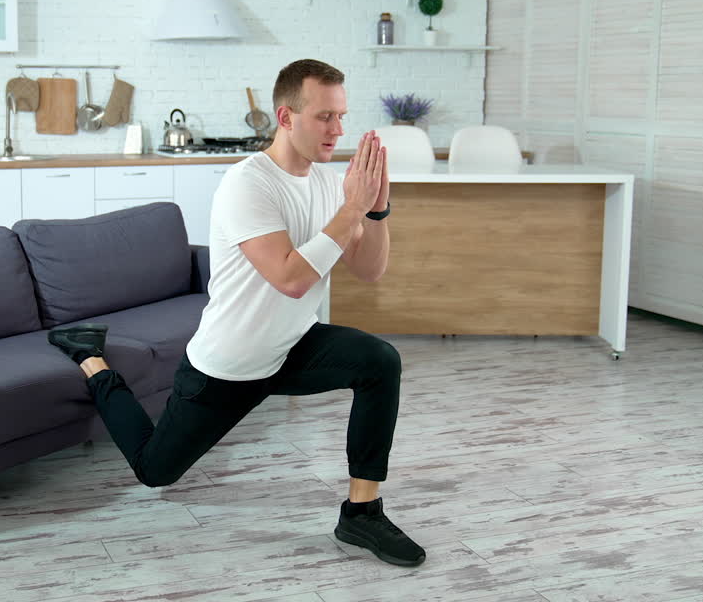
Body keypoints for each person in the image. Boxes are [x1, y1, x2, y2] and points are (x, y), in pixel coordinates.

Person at [47, 59, 425, 567]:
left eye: (342, 116)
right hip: (228, 365)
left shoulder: (330, 184)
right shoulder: (248, 184)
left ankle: (362, 514)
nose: (338, 130)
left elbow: (371, 270)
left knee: (379, 361)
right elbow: (291, 278)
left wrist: (376, 210)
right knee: (154, 472)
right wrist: (352, 209)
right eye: (324, 117)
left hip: (290, 347)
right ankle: (92, 360)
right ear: (286, 117)